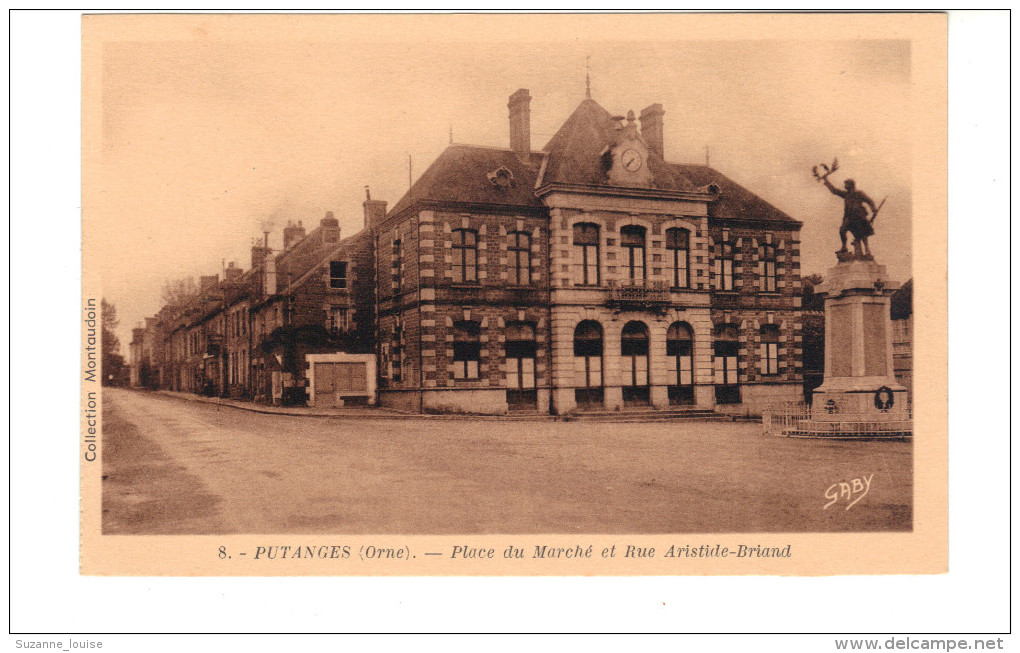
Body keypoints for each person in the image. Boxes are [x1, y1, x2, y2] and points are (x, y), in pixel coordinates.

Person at [821, 177, 878, 255]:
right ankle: (844, 247)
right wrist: (826, 181)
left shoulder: (859, 193)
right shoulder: (846, 194)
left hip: (859, 216)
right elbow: (834, 191)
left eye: (846, 184)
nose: (844, 185)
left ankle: (867, 249)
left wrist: (873, 209)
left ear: (851, 185)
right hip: (849, 217)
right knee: (842, 230)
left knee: (863, 233)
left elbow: (869, 200)